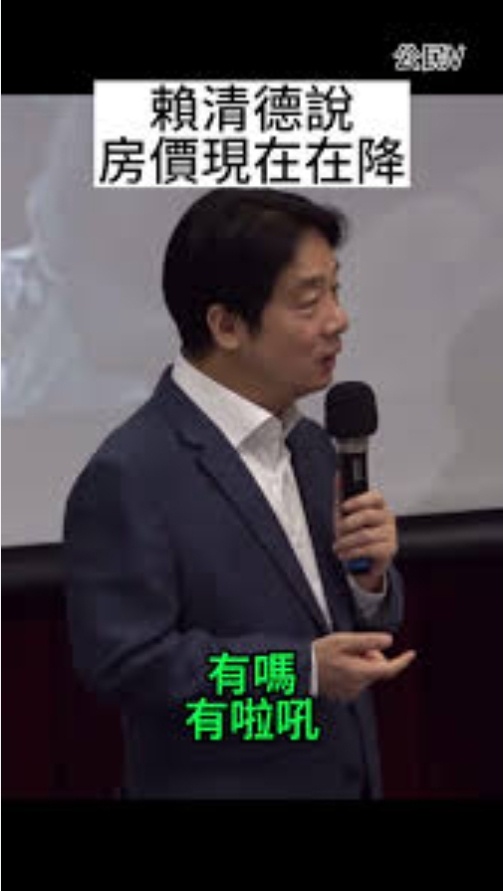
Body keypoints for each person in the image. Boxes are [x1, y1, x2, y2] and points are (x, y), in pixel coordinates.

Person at [63, 188, 416, 799]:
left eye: (336, 290)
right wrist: (298, 672)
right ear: (226, 325)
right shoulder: (131, 473)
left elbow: (344, 623)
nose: (338, 319)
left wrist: (369, 578)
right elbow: (127, 663)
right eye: (309, 301)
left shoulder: (313, 447)